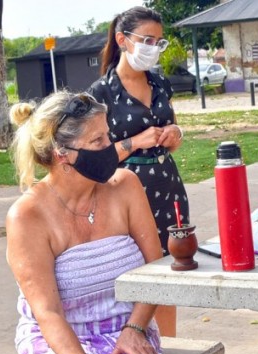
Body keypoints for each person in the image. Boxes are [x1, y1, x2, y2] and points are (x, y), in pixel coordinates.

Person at [6, 91, 165, 354]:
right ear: (62, 153)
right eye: (98, 141)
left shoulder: (125, 186)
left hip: (125, 324)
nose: (111, 147)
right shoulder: (27, 216)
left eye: (108, 135)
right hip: (54, 335)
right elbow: (47, 312)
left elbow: (155, 269)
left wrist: (136, 327)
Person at [88, 5, 184, 335]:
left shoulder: (160, 83)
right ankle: (134, 342)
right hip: (126, 196)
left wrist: (175, 134)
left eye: (159, 42)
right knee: (138, 274)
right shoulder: (100, 93)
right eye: (147, 40)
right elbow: (95, 159)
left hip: (168, 190)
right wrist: (136, 142)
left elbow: (173, 132)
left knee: (170, 273)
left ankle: (169, 345)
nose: (153, 48)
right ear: (122, 40)